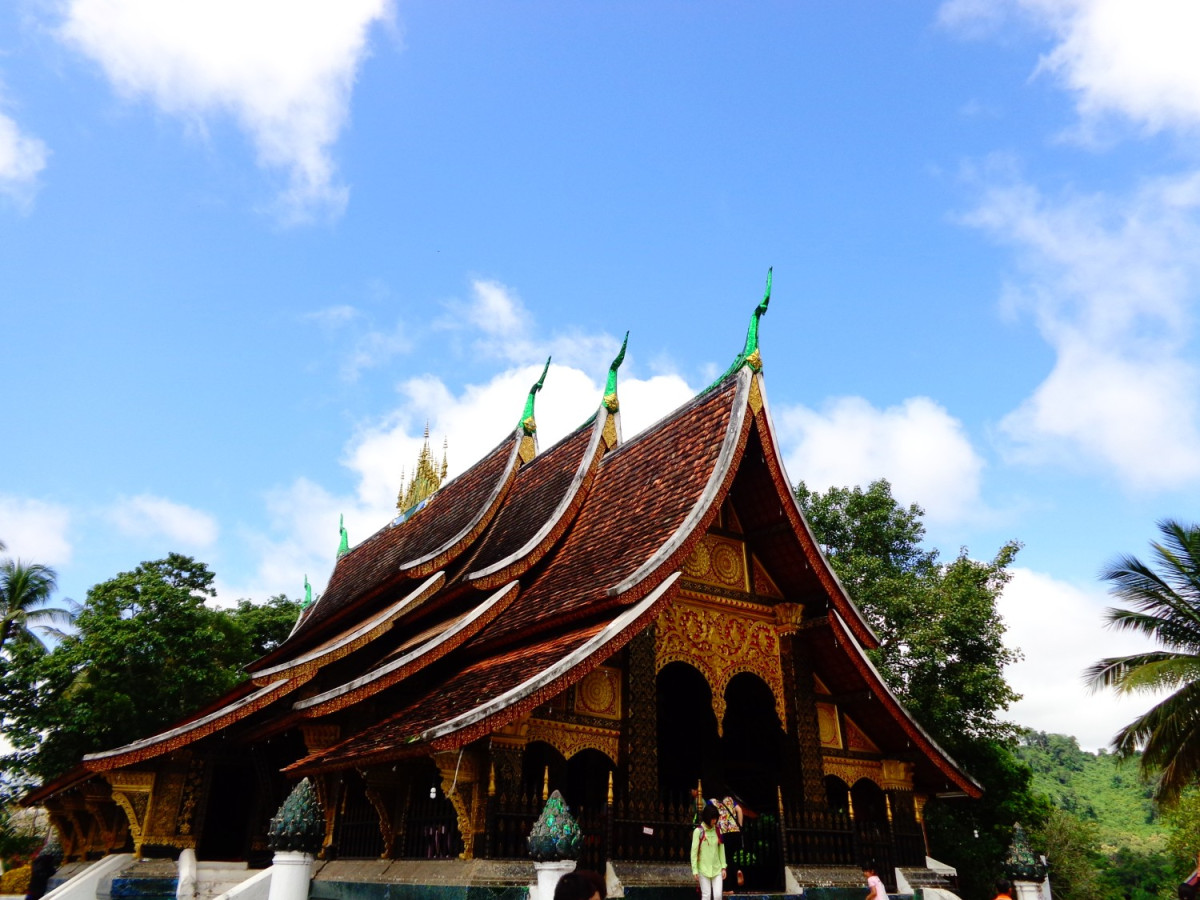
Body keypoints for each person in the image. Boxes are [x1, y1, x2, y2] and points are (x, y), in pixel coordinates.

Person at [692, 804, 727, 900]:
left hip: (717, 869)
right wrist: (695, 870)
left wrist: (723, 867)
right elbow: (694, 852)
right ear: (707, 818)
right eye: (712, 818)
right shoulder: (698, 832)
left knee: (718, 896)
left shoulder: (718, 831)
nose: (714, 821)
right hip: (703, 869)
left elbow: (721, 849)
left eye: (715, 818)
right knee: (706, 896)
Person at [715, 793, 745, 887]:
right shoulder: (730, 799)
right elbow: (739, 810)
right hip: (735, 832)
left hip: (724, 833)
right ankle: (737, 871)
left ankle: (728, 885)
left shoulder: (712, 802)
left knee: (725, 859)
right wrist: (740, 825)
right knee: (730, 857)